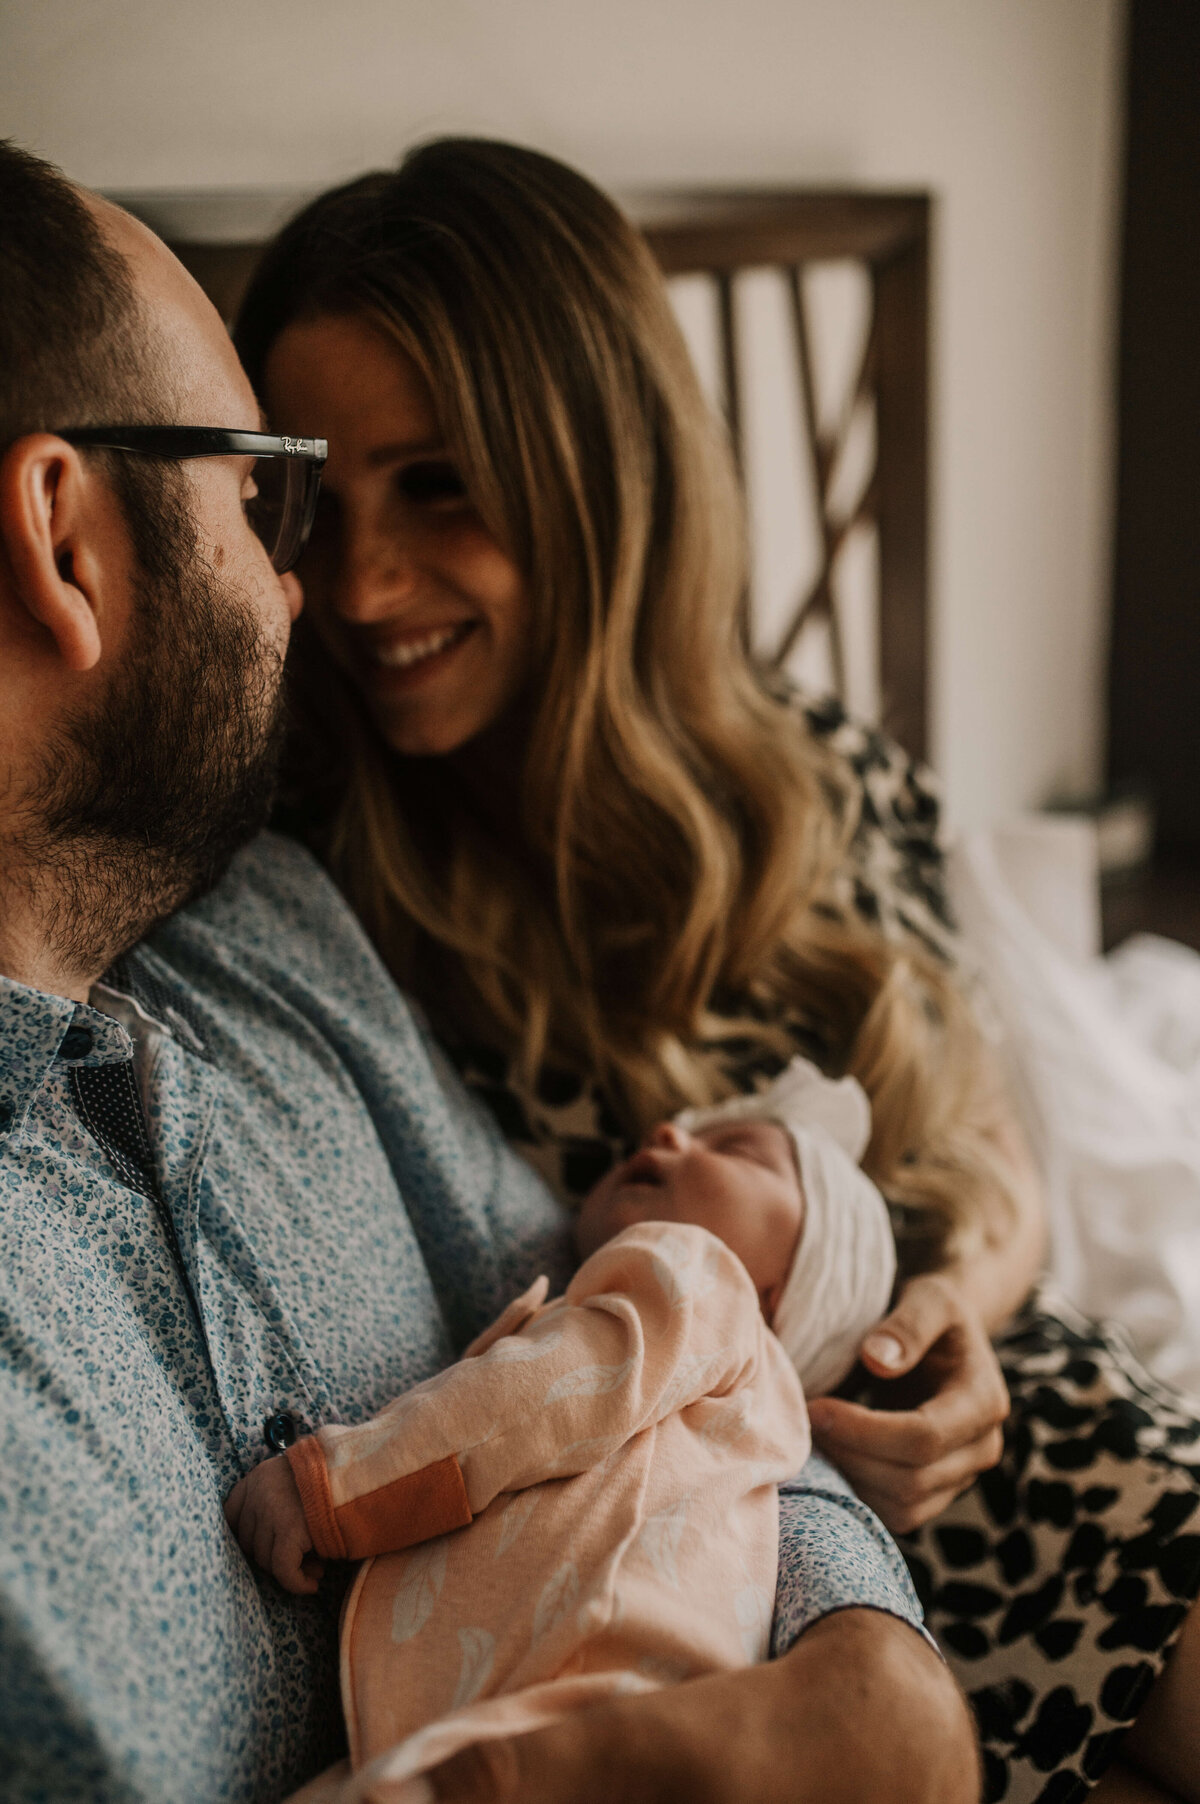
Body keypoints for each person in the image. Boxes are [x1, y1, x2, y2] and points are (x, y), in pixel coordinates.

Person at [0, 138, 977, 1804]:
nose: (315, 583)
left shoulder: (285, 933)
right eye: (264, 491)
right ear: (66, 543)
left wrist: (856, 1667)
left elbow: (671, 1331)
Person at [235, 135, 1200, 1804]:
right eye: (319, 497)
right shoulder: (323, 864)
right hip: (687, 1536)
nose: (357, 585)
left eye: (443, 484)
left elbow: (987, 1149)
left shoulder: (820, 769)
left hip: (981, 1428)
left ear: (601, 481)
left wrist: (954, 1328)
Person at [225, 1060, 899, 1800]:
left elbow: (548, 1395)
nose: (671, 1130)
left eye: (735, 1150)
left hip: (565, 1690)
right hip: (580, 1718)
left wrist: (339, 1483)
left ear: (787, 1290)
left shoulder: (709, 1278)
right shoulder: (758, 1429)